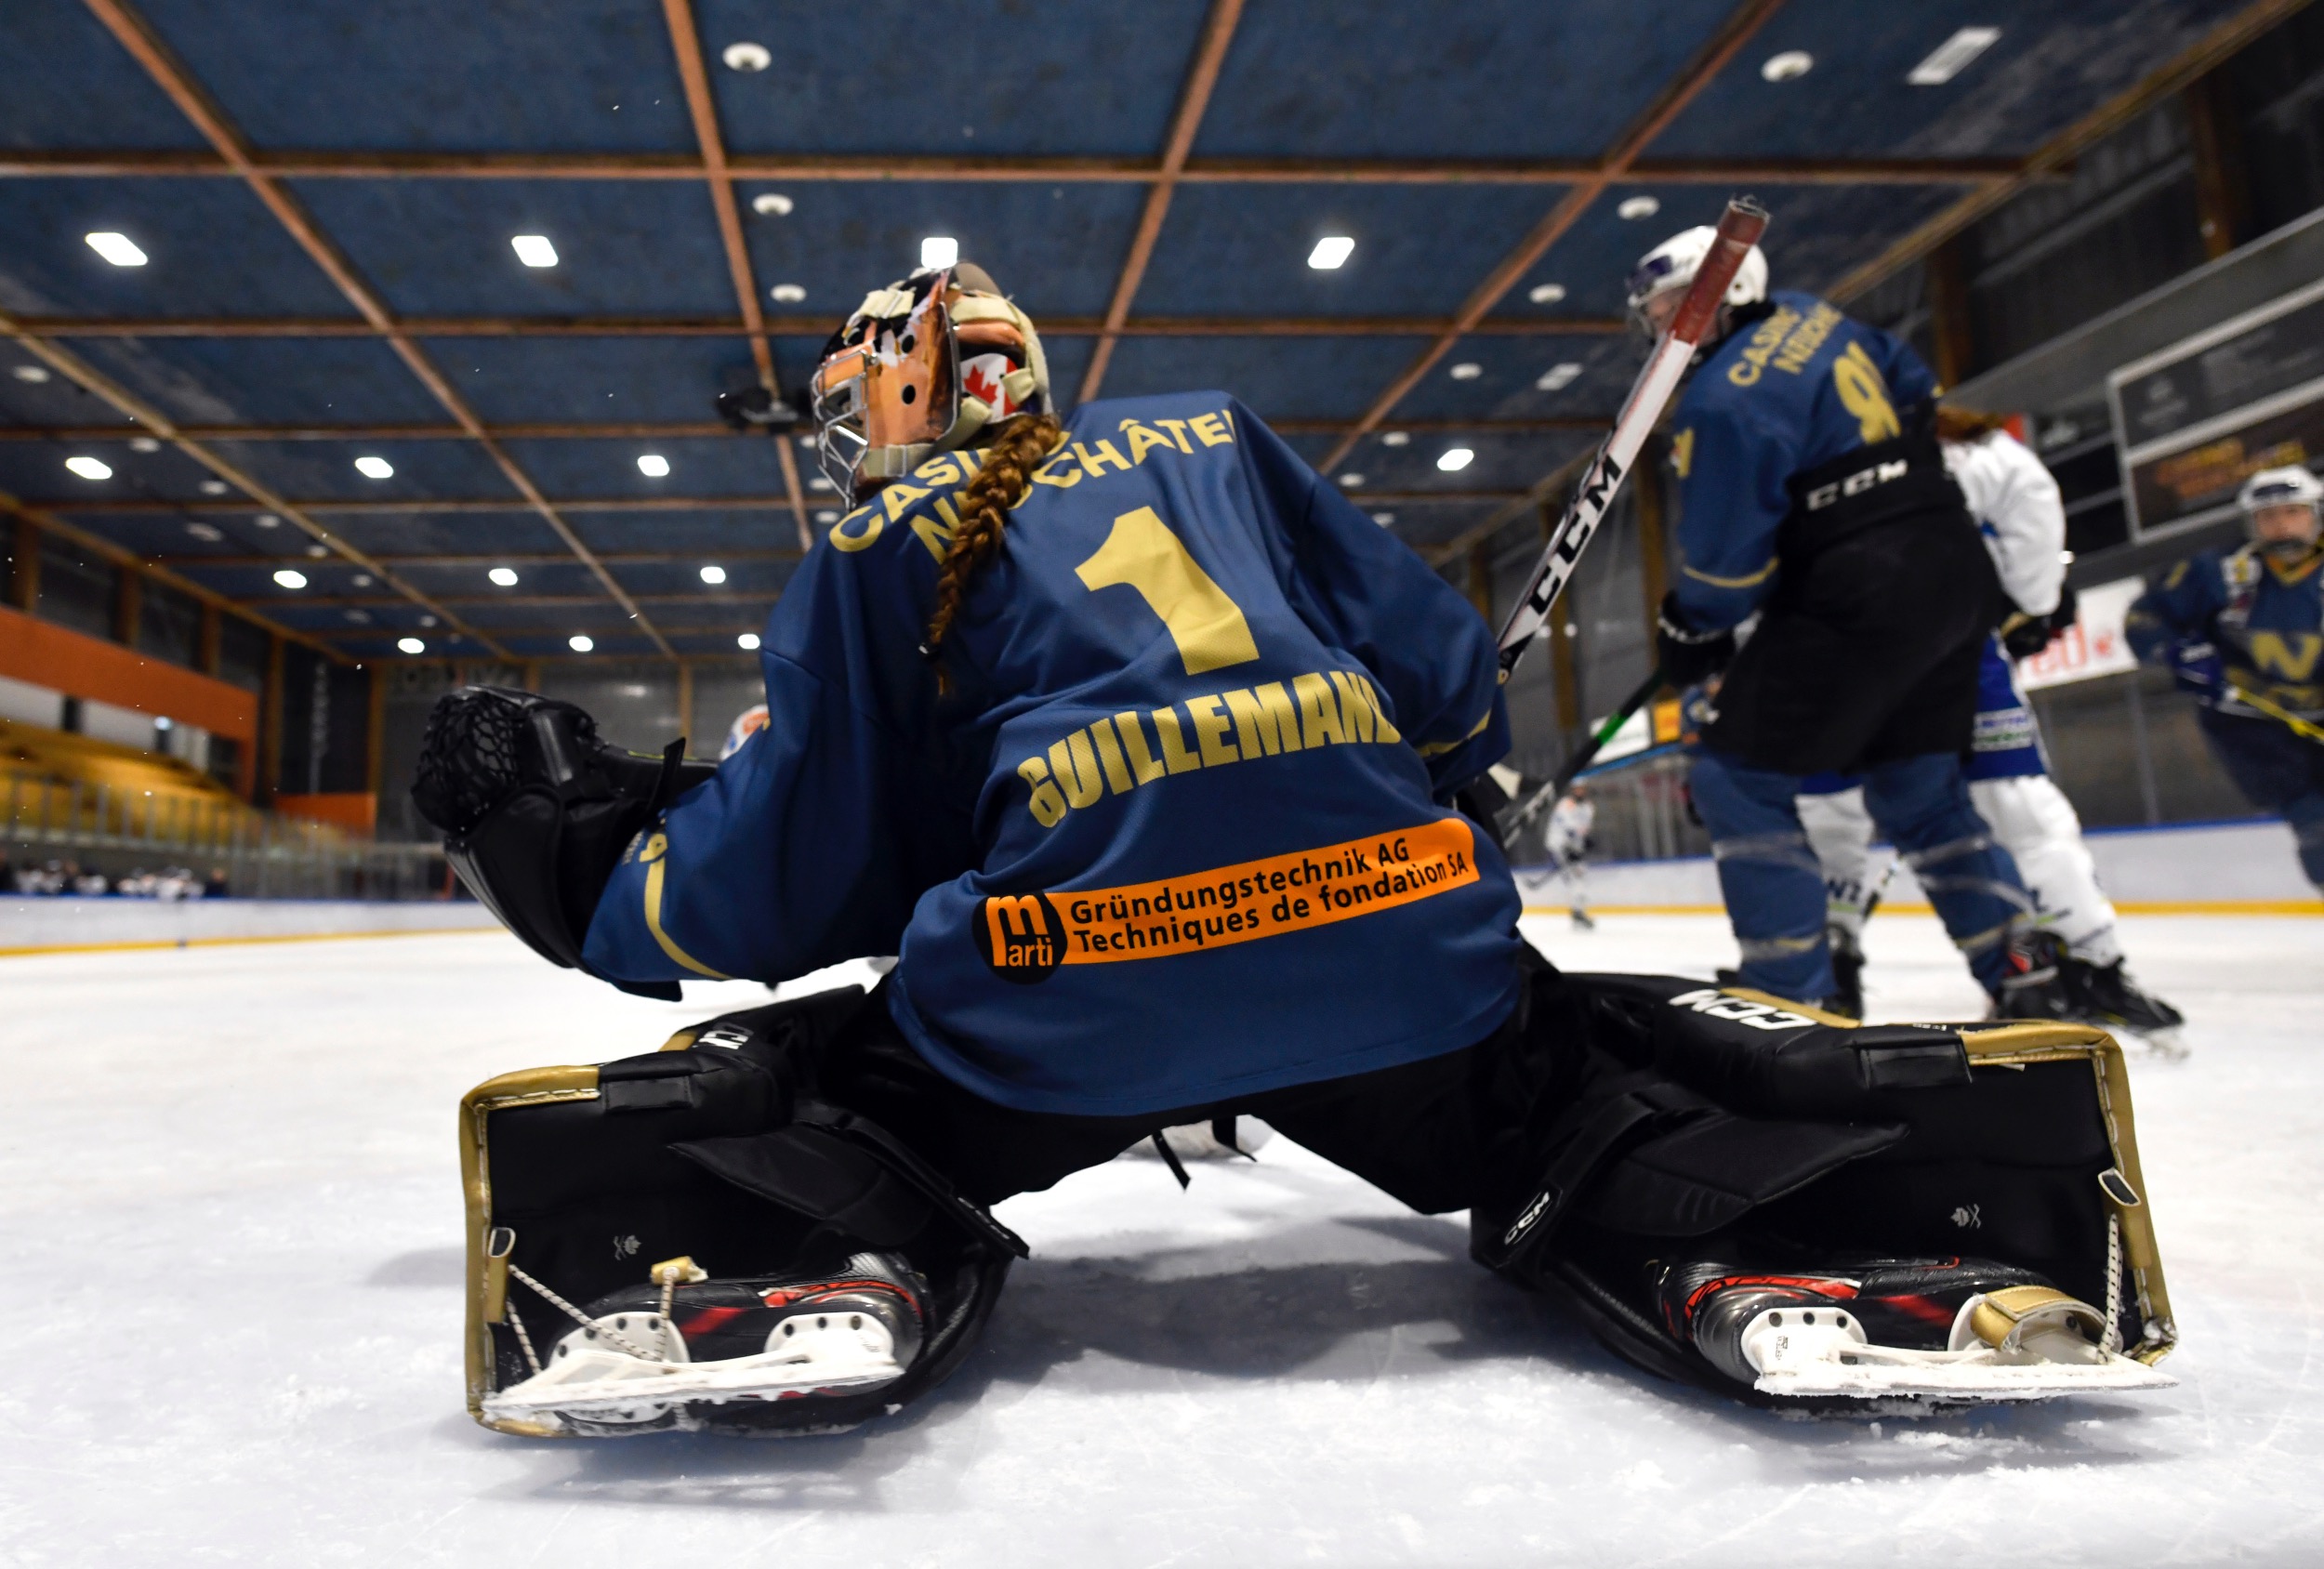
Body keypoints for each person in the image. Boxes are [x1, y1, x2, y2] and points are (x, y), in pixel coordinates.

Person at [415, 261, 2172, 1437]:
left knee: (827, 1071)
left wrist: (560, 861)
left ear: (894, 401)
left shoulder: (880, 550)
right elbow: (1439, 676)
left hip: (1065, 1021)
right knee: (1565, 1070)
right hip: (1402, 969)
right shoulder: (1221, 442)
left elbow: (778, 878)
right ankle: (1780, 1202)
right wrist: (1446, 780)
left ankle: (806, 1241)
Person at [1635, 226, 2059, 1018]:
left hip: (1862, 583)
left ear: (1724, 293)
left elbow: (1725, 560)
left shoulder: (1723, 397)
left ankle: (1790, 993)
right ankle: (2022, 964)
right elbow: (1916, 394)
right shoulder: (1819, 318)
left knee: (1735, 777)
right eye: (1655, 313)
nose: (1665, 328)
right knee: (1919, 790)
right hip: (1950, 559)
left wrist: (1695, 626)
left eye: (1671, 308)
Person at [1796, 412, 2184, 1043]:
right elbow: (2029, 518)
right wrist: (2030, 599)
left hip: (1832, 655)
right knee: (2011, 805)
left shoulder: (1792, 445)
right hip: (1953, 645)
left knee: (1832, 809)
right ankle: (2082, 967)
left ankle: (1827, 974)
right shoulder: (1964, 446)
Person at [2127, 466, 2324, 895]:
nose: (2282, 525)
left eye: (2293, 512)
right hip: (2255, 731)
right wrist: (2175, 652)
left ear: (2316, 514)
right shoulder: (2216, 573)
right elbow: (2144, 618)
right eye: (2268, 516)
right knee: (2318, 828)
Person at [1544, 782, 1595, 930]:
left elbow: (1582, 830)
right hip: (1560, 847)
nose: (1579, 792)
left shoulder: (1588, 807)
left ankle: (1578, 911)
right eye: (1577, 789)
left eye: (1582, 789)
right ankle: (1578, 913)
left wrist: (1584, 842)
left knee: (1579, 877)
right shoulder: (1565, 804)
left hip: (1574, 848)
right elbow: (1565, 827)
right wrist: (1567, 847)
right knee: (1576, 877)